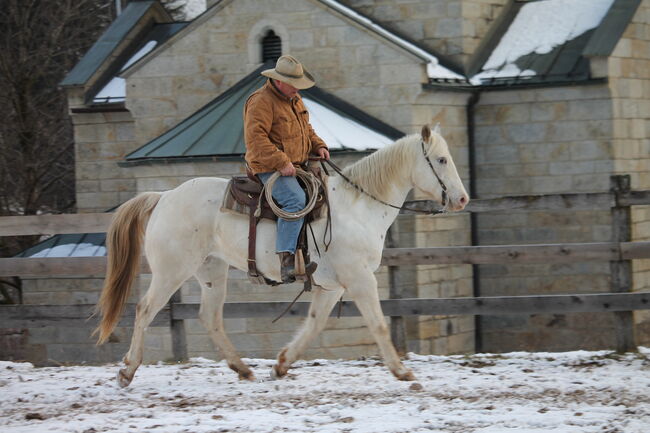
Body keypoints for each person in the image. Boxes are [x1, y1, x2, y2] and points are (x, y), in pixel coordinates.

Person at [244, 55, 330, 283]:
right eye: (295, 85)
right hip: (268, 165)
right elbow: (256, 138)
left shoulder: (294, 99)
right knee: (295, 199)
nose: (297, 89)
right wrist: (281, 162)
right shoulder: (261, 101)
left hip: (296, 164)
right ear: (280, 81)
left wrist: (318, 145)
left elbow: (306, 129)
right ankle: (287, 260)